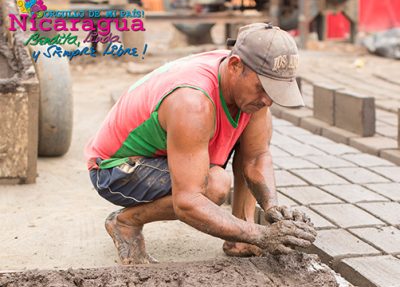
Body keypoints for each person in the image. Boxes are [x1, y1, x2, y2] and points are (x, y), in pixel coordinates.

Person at [85, 22, 316, 264]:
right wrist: (263, 235)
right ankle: (126, 222)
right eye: (263, 88)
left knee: (244, 143)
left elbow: (256, 157)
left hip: (160, 155)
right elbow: (188, 202)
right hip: (114, 169)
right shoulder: (192, 102)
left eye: (276, 91)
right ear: (236, 66)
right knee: (214, 185)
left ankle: (240, 241)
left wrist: (272, 208)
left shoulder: (249, 86)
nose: (268, 100)